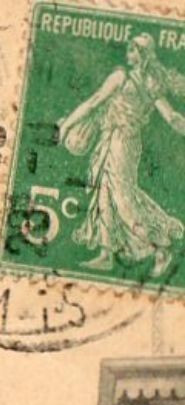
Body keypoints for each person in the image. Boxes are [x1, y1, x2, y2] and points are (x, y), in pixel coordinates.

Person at [57, 34, 185, 277]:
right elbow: (173, 118)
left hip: (120, 142)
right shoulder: (150, 84)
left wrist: (65, 127)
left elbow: (93, 102)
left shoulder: (122, 78)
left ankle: (158, 250)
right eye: (129, 47)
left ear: (143, 55)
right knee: (104, 191)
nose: (129, 51)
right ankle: (106, 253)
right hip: (118, 140)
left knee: (122, 198)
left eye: (134, 49)